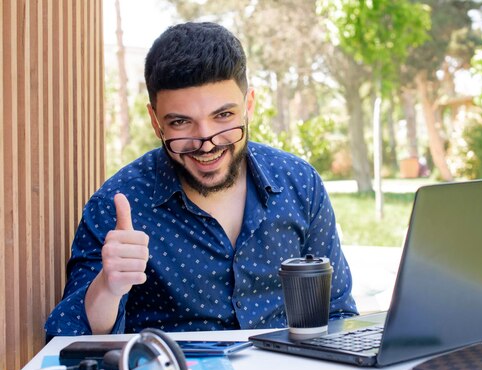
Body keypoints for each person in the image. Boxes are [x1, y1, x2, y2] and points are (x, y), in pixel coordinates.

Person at [45, 22, 358, 338]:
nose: (206, 141)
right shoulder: (117, 204)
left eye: (223, 116)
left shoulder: (300, 184)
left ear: (248, 106)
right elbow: (68, 338)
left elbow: (339, 313)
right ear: (156, 122)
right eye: (181, 122)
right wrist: (108, 288)